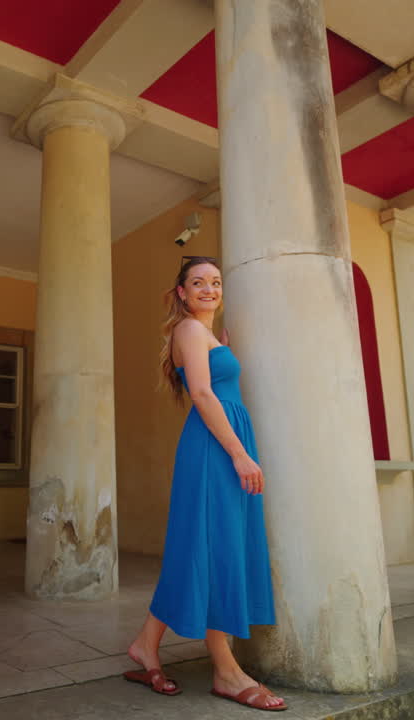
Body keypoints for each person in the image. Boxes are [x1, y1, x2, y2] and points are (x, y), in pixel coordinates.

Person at [122, 256, 286, 712]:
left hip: (222, 439)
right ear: (182, 292)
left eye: (215, 282)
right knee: (217, 549)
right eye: (198, 282)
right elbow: (201, 393)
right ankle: (226, 671)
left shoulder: (205, 334)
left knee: (203, 545)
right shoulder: (190, 330)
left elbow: (215, 381)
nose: (209, 289)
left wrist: (222, 348)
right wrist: (239, 453)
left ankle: (145, 645)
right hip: (216, 447)